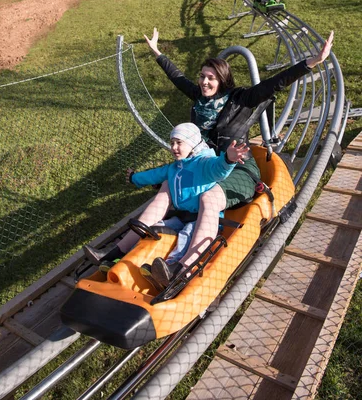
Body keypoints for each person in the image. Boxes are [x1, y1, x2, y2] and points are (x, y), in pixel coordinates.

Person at [143, 28, 334, 212]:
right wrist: (158, 53)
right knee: (172, 186)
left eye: (211, 78)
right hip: (206, 164)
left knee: (203, 196)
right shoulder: (200, 98)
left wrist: (313, 61)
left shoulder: (241, 100)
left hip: (235, 165)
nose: (204, 82)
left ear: (222, 80)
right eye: (202, 76)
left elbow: (276, 83)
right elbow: (178, 78)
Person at [84, 122, 249, 288]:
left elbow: (218, 168)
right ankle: (118, 256)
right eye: (172, 143)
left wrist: (228, 159)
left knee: (186, 236)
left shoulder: (204, 163)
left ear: (192, 143)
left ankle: (174, 269)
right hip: (181, 217)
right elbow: (154, 175)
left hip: (199, 221)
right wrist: (135, 178)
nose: (174, 148)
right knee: (154, 228)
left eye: (179, 143)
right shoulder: (175, 167)